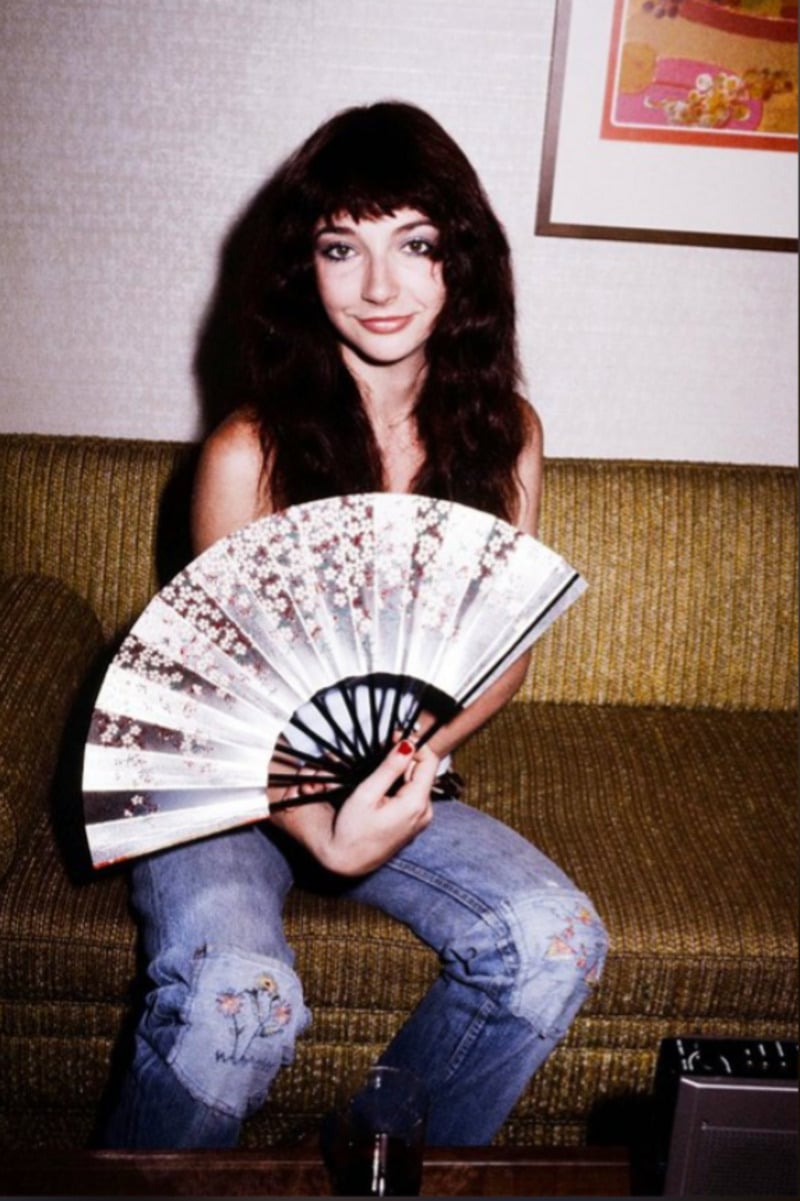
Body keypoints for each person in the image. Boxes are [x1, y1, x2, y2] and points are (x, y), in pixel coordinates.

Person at [102, 101, 608, 1149]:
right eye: (343, 247)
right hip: (225, 787)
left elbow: (497, 657)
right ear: (304, 269)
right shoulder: (249, 453)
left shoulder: (504, 436)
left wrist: (407, 761)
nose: (380, 286)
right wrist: (318, 827)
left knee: (552, 938)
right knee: (240, 1002)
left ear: (460, 261)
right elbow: (214, 703)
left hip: (386, 770)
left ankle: (371, 1165)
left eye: (413, 243)